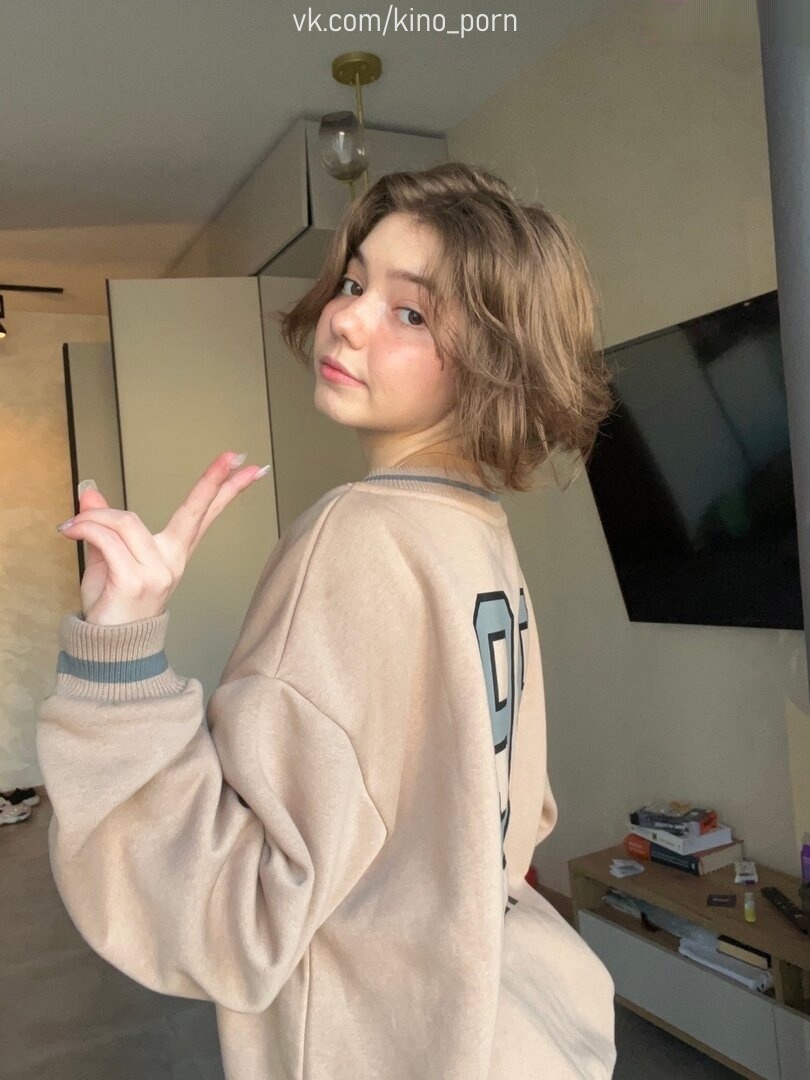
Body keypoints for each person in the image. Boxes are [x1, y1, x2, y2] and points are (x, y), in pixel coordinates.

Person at [37, 161, 618, 1079]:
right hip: (504, 1028)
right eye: (354, 283)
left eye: (411, 311)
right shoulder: (478, 535)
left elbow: (230, 913)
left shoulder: (358, 538)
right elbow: (516, 811)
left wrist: (120, 662)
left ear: (497, 361)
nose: (346, 318)